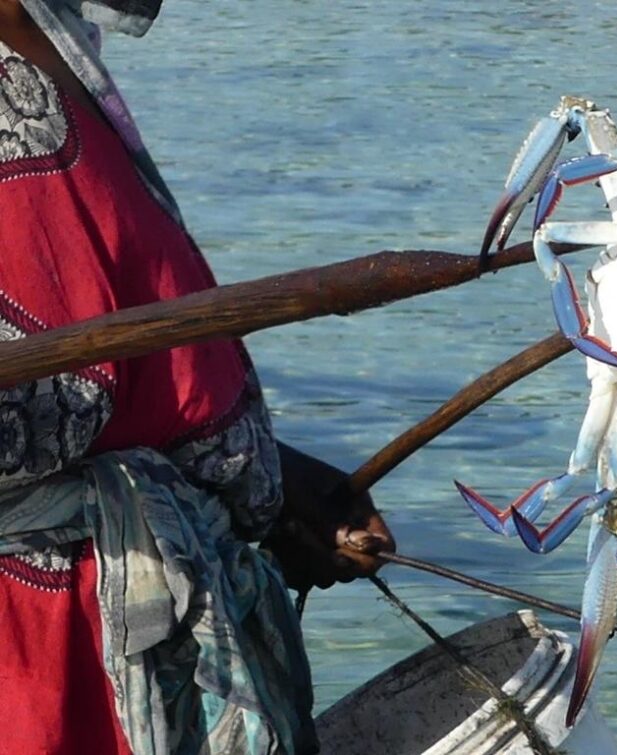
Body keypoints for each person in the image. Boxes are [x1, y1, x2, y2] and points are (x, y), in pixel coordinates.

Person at [0, 1, 395, 753]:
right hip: (37, 676)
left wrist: (270, 488)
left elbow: (137, 344)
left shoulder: (54, 46)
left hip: (140, 638)